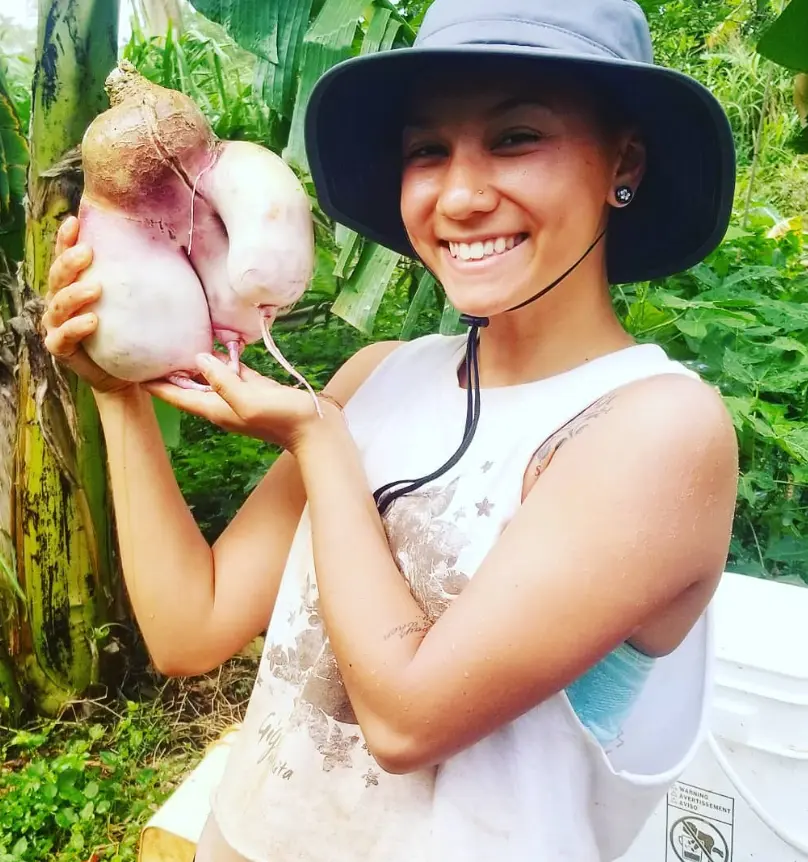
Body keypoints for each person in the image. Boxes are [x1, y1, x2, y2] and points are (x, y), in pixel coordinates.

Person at [41, 0, 740, 859]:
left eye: (517, 137)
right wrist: (118, 391)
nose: (461, 194)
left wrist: (322, 444)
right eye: (427, 151)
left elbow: (408, 722)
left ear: (621, 162)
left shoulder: (657, 429)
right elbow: (194, 626)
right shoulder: (378, 375)